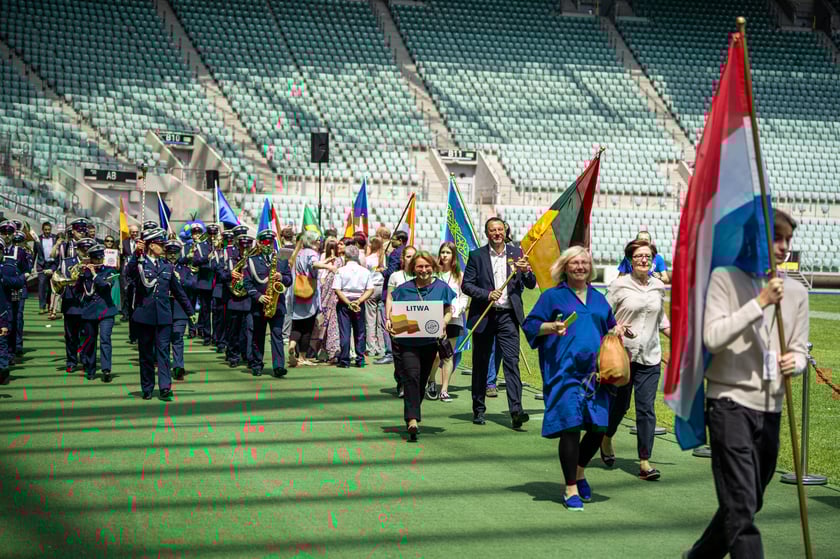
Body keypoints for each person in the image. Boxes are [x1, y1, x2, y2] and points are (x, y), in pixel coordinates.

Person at [685, 210, 808, 558]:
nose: (783, 247)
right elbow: (713, 338)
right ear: (755, 238)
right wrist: (760, 302)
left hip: (771, 408)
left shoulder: (797, 292)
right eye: (776, 238)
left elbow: (799, 350)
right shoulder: (725, 279)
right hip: (728, 403)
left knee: (748, 501)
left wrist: (795, 363)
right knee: (741, 503)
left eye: (787, 240)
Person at [522, 246, 620, 511]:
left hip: (596, 375)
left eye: (584, 263)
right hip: (563, 372)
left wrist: (619, 330)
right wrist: (551, 327)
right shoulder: (552, 297)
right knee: (571, 427)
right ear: (565, 267)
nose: (580, 267)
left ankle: (579, 470)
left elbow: (609, 326)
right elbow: (530, 325)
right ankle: (570, 488)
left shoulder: (599, 299)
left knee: (599, 427)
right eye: (575, 263)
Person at [602, 239, 670, 480]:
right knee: (619, 406)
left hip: (650, 358)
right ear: (630, 260)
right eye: (639, 256)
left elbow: (661, 320)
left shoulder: (658, 287)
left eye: (648, 256)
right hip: (622, 357)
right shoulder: (619, 285)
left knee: (646, 409)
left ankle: (644, 461)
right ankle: (607, 437)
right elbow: (603, 316)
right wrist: (616, 327)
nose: (644, 260)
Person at [462, 217, 536, 429]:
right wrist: (486, 294)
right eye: (493, 230)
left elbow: (531, 284)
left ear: (505, 231)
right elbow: (466, 285)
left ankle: (516, 411)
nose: (497, 233)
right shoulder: (477, 256)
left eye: (500, 229)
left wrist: (526, 271)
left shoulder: (516, 254)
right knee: (481, 363)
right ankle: (478, 408)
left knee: (512, 362)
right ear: (487, 233)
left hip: (508, 317)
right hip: (485, 314)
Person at [386, 251, 455, 441]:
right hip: (407, 342)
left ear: (432, 267)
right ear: (413, 268)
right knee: (411, 377)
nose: (423, 270)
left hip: (430, 343)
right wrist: (389, 320)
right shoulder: (404, 288)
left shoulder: (442, 287)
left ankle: (413, 412)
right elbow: (393, 307)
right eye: (419, 266)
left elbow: (448, 310)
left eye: (426, 266)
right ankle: (412, 420)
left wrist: (443, 322)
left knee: (422, 380)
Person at [126, 228, 195, 401]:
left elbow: (178, 291)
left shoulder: (167, 267)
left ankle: (165, 388)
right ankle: (147, 387)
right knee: (147, 354)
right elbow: (128, 273)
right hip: (145, 317)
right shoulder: (140, 264)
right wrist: (136, 254)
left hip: (164, 316)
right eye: (159, 244)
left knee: (164, 353)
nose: (163, 247)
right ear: (150, 245)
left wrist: (190, 311)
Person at [243, 230, 293, 377]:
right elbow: (247, 283)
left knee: (277, 335)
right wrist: (258, 296)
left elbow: (289, 280)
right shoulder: (251, 260)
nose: (268, 245)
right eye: (265, 242)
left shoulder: (281, 259)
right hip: (259, 305)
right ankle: (257, 364)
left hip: (277, 305)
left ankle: (278, 366)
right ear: (259, 243)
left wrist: (281, 277)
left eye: (270, 242)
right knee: (258, 336)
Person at [428, 242, 467, 402]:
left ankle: (444, 389)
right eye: (442, 252)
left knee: (448, 355)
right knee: (435, 355)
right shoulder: (433, 273)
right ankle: (431, 381)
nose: (444, 255)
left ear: (453, 256)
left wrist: (459, 309)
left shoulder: (459, 275)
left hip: (454, 318)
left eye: (448, 253)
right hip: (434, 318)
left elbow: (463, 296)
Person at [289, 231, 332, 368]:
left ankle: (292, 344)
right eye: (318, 240)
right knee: (307, 327)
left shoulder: (299, 253)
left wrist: (324, 261)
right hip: (309, 292)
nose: (320, 242)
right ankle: (302, 357)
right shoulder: (312, 253)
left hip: (297, 291)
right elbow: (313, 264)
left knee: (297, 324)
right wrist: (329, 266)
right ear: (313, 241)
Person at [77, 244, 118, 382]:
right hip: (89, 311)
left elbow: (105, 287)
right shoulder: (85, 272)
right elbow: (78, 290)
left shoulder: (110, 271)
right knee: (90, 341)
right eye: (95, 259)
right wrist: (81, 275)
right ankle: (90, 368)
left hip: (106, 310)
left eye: (100, 258)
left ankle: (106, 369)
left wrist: (94, 274)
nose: (98, 261)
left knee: (105, 339)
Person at [333, 244, 374, 368]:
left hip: (344, 302)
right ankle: (360, 358)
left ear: (345, 256)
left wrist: (348, 302)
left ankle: (345, 360)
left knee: (345, 332)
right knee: (360, 331)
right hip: (359, 302)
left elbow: (337, 289)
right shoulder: (365, 271)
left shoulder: (341, 270)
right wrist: (359, 300)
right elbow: (370, 289)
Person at [386, 245, 416, 396]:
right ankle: (402, 383)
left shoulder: (422, 274)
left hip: (418, 318)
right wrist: (388, 318)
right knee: (399, 355)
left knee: (415, 354)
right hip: (399, 317)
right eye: (408, 256)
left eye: (413, 256)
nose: (411, 259)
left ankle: (414, 384)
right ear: (402, 259)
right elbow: (389, 298)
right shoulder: (396, 276)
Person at [165, 240, 195, 381]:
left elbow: (193, 283)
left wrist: (179, 281)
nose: (172, 256)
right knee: (163, 340)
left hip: (179, 309)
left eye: (175, 253)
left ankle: (178, 367)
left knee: (177, 339)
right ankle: (164, 365)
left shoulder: (185, 269)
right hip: (164, 309)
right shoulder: (162, 267)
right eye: (170, 253)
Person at [223, 234, 255, 368]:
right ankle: (233, 356)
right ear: (239, 246)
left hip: (248, 298)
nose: (245, 249)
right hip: (234, 298)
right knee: (234, 330)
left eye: (247, 246)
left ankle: (248, 356)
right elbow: (221, 275)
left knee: (249, 329)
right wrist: (230, 274)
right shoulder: (231, 259)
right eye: (243, 246)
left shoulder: (253, 260)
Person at [0, 238, 25, 384]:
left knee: (3, 343)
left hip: (3, 310)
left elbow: (19, 282)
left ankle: (4, 370)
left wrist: (3, 279)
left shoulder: (8, 267)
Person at [317, 238, 344, 363]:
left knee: (328, 326)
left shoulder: (332, 262)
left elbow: (328, 283)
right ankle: (329, 352)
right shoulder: (332, 261)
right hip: (332, 299)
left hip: (329, 299)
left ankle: (332, 353)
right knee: (330, 326)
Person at [364, 236, 386, 360]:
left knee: (370, 320)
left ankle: (371, 347)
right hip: (382, 288)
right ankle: (381, 347)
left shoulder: (368, 259)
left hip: (372, 289)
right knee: (380, 321)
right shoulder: (384, 258)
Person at [34, 221, 56, 314]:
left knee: (52, 288)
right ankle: (42, 307)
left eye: (49, 229)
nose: (47, 231)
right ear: (42, 230)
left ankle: (49, 304)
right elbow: (34, 253)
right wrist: (31, 267)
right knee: (41, 286)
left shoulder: (55, 238)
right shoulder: (38, 239)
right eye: (45, 229)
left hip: (52, 265)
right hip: (42, 266)